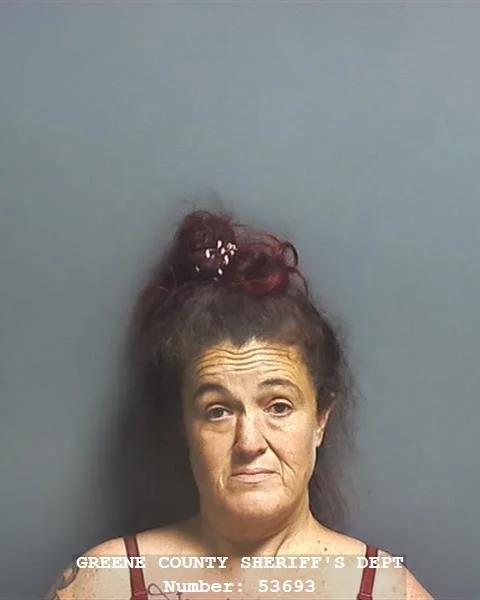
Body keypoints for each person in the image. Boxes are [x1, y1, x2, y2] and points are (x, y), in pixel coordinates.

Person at [45, 208, 433, 599]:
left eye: (278, 406)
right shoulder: (104, 584)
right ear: (185, 426)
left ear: (320, 419)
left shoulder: (387, 590)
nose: (249, 443)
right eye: (218, 411)